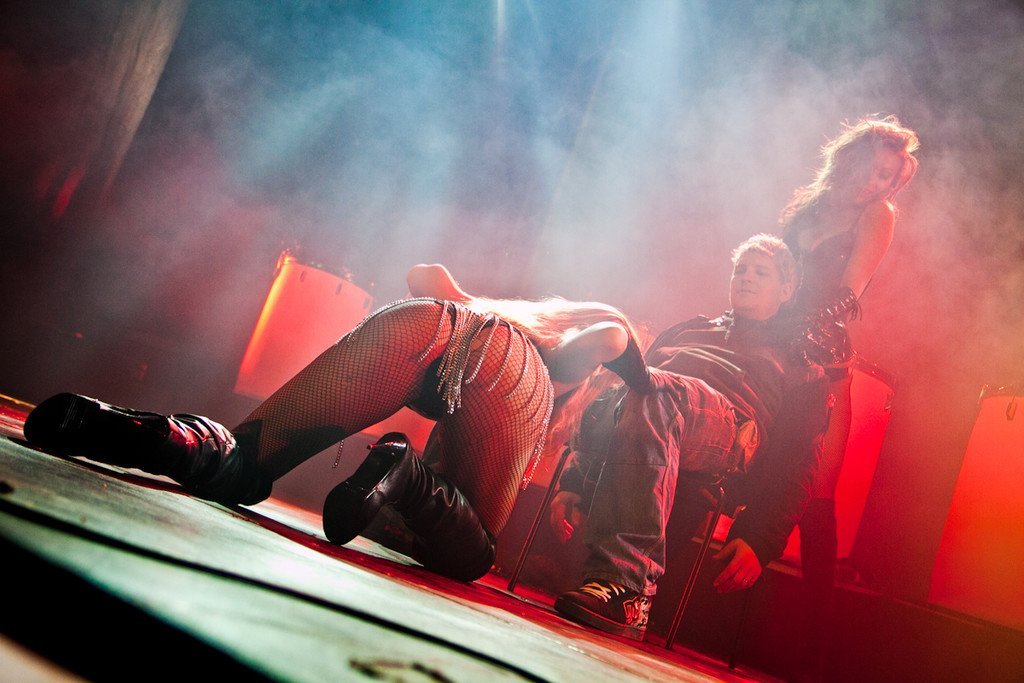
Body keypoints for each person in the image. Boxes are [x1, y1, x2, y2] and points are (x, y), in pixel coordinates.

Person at [23, 263, 643, 582]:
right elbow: (609, 337)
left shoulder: (487, 313)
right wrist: (637, 372)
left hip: (427, 319)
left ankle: (142, 430)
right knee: (474, 550)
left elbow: (424, 276)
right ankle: (403, 474)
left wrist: (473, 302)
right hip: (511, 371)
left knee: (244, 466)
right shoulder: (551, 358)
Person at [549, 234, 831, 642]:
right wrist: (573, 481)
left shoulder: (801, 363)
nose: (746, 277)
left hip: (728, 431)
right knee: (624, 385)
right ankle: (611, 585)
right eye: (741, 269)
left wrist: (760, 539)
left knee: (654, 387)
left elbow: (797, 464)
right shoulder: (689, 329)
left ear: (786, 290)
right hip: (647, 410)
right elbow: (633, 385)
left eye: (761, 272)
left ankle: (628, 588)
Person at [779, 115, 919, 678]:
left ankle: (813, 654)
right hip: (770, 342)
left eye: (888, 177)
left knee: (818, 495)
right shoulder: (808, 208)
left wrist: (797, 336)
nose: (877, 183)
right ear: (848, 160)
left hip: (821, 352)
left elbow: (849, 293)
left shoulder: (877, 215)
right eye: (872, 170)